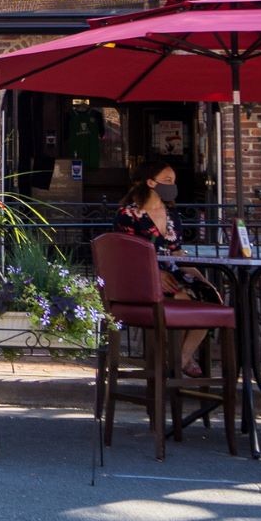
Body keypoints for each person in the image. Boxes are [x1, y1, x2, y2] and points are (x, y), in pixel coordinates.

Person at [112, 160, 221, 378]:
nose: (172, 186)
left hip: (172, 274)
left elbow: (177, 253)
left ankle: (181, 358)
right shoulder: (129, 214)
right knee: (183, 299)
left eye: (174, 181)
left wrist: (202, 279)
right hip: (141, 278)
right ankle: (176, 360)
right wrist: (155, 274)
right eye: (167, 181)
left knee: (210, 298)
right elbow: (127, 253)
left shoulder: (172, 216)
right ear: (151, 183)